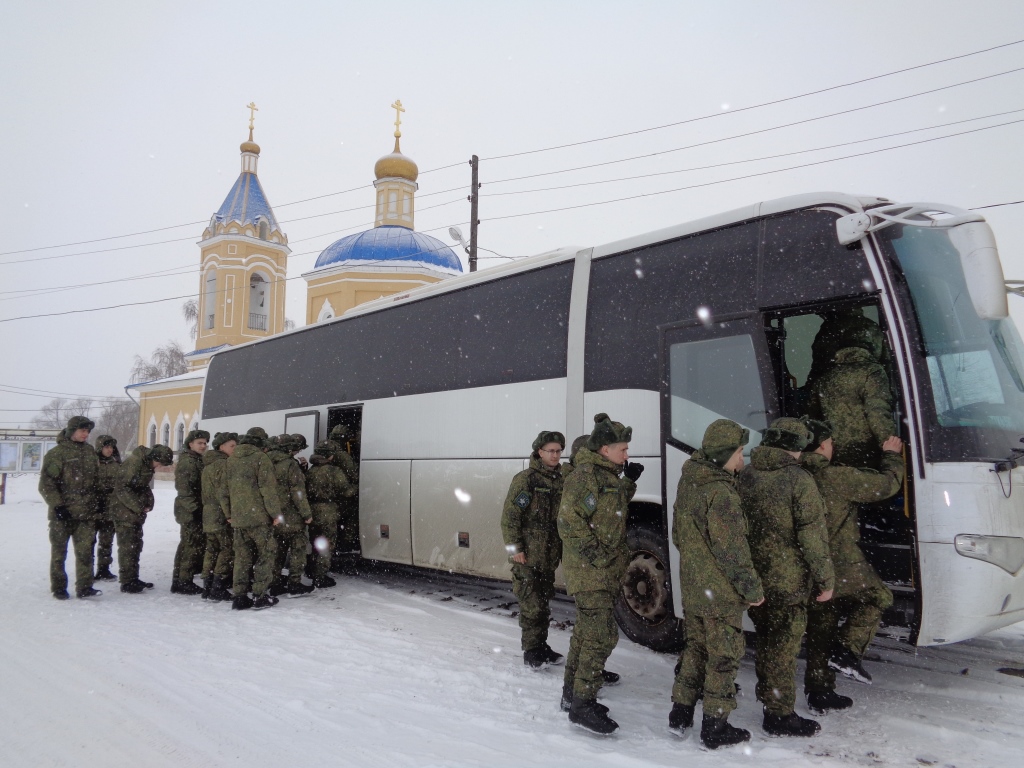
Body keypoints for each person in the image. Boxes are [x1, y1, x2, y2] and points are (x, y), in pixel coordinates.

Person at [670, 419, 764, 749]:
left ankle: (680, 714)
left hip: (694, 588)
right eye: (739, 453)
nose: (742, 460)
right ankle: (715, 727)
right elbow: (733, 551)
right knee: (723, 657)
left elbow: (678, 536)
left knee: (695, 650)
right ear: (725, 454)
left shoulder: (690, 480)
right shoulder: (721, 492)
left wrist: (699, 565)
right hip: (720, 594)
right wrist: (752, 590)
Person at [737, 417, 834, 738]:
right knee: (783, 646)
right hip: (788, 581)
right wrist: (825, 579)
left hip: (753, 579)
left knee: (766, 639)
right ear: (795, 446)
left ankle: (770, 698)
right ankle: (778, 714)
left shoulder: (745, 474)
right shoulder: (799, 480)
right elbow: (813, 539)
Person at [799, 418, 904, 707]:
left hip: (802, 563)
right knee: (877, 597)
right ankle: (846, 650)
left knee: (823, 620)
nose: (833, 448)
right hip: (840, 561)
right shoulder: (837, 477)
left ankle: (820, 692)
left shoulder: (792, 475)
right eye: (831, 444)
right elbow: (886, 485)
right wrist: (892, 455)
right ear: (822, 446)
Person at [557, 413, 644, 734]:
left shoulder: (607, 475)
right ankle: (583, 704)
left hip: (603, 571)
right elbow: (569, 521)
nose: (627, 455)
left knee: (585, 633)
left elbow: (612, 508)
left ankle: (572, 694)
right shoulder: (585, 477)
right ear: (605, 449)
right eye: (623, 449)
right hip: (591, 572)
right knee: (601, 635)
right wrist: (597, 556)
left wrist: (629, 482)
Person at [501, 430, 567, 669]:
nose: (555, 455)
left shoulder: (561, 479)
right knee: (531, 605)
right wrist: (515, 549)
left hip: (549, 556)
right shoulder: (526, 480)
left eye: (559, 451)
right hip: (527, 556)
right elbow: (510, 518)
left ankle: (541, 646)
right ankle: (531, 651)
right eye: (551, 451)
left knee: (544, 603)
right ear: (539, 452)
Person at [809, 315, 896, 468]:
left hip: (835, 456)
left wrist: (825, 447)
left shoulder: (824, 378)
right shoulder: (873, 371)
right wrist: (891, 450)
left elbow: (812, 418)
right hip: (868, 454)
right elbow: (878, 413)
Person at [38, 416, 102, 600]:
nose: (86, 434)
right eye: (82, 430)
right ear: (72, 430)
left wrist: (98, 501)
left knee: (85, 552)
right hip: (63, 513)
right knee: (59, 553)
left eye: (88, 431)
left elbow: (96, 481)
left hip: (86, 513)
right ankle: (59, 587)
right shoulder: (57, 454)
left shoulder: (90, 452)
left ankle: (85, 586)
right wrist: (57, 506)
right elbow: (46, 484)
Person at [223, 427, 282, 611]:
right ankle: (260, 595)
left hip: (239, 519)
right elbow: (268, 490)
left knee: (241, 557)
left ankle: (239, 596)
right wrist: (275, 514)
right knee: (266, 554)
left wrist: (229, 514)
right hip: (259, 518)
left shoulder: (231, 459)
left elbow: (224, 491)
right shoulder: (261, 459)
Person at [109, 444, 175, 593]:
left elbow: (143, 486)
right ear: (154, 458)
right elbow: (122, 488)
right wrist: (138, 506)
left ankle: (133, 578)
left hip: (133, 512)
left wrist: (149, 501)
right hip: (123, 511)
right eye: (159, 463)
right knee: (128, 546)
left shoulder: (146, 464)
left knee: (136, 544)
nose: (158, 467)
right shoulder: (135, 463)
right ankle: (127, 582)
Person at [305, 440, 358, 588]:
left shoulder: (311, 471)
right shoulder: (334, 471)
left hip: (312, 510)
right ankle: (320, 576)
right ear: (329, 456)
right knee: (326, 544)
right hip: (327, 511)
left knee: (316, 542)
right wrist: (357, 487)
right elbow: (347, 491)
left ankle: (312, 569)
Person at [268, 434, 315, 598]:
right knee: (298, 549)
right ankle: (294, 584)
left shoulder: (265, 461)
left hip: (274, 515)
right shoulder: (290, 465)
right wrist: (306, 514)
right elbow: (297, 492)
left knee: (278, 551)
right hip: (291, 515)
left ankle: (274, 583)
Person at [200, 431, 238, 602]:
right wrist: (229, 514)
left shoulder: (208, 465)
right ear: (221, 447)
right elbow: (224, 492)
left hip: (208, 513)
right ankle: (218, 586)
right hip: (220, 513)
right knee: (227, 548)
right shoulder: (223, 465)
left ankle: (207, 586)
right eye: (232, 446)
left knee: (212, 549)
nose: (235, 449)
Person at [172, 429, 209, 595]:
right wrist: (194, 509)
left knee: (187, 545)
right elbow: (184, 490)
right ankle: (184, 582)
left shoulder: (196, 459)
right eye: (200, 443)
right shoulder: (188, 462)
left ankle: (179, 580)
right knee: (190, 546)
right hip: (190, 510)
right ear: (190, 444)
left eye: (204, 443)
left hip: (192, 508)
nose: (203, 445)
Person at [92, 435, 121, 583]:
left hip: (110, 509)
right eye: (106, 447)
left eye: (111, 447)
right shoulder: (92, 463)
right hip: (93, 509)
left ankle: (104, 569)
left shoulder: (116, 464)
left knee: (106, 540)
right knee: (89, 542)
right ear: (99, 448)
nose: (109, 450)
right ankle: (87, 571)